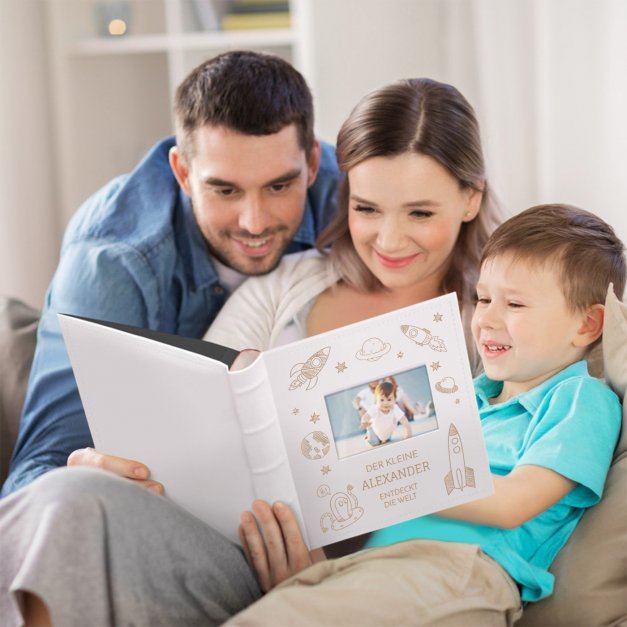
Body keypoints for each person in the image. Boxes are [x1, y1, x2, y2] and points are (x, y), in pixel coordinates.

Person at [0, 77, 500, 626]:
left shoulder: (490, 325)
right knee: (71, 498)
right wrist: (111, 464)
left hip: (356, 581)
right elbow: (189, 404)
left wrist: (320, 578)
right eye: (367, 209)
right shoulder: (290, 282)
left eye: (420, 214)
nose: (389, 239)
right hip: (214, 545)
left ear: (470, 197)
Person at [223, 203, 624, 626]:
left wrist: (398, 466)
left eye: (516, 305)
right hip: (374, 565)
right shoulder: (464, 393)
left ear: (586, 325)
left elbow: (513, 503)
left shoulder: (581, 399)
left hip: (460, 571)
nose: (486, 318)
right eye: (483, 298)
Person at [1, 50, 340, 497]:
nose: (254, 222)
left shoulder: (355, 201)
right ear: (182, 172)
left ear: (312, 163)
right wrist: (79, 482)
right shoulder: (112, 263)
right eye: (224, 190)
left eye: (279, 186)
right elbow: (31, 478)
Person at [360, 380, 412, 445]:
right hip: (374, 432)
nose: (385, 403)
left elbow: (405, 421)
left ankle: (383, 439)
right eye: (382, 400)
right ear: (376, 400)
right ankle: (368, 437)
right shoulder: (375, 408)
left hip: (387, 434)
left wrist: (408, 435)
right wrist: (364, 421)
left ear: (395, 399)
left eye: (389, 399)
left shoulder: (395, 408)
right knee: (374, 443)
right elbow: (366, 416)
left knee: (386, 439)